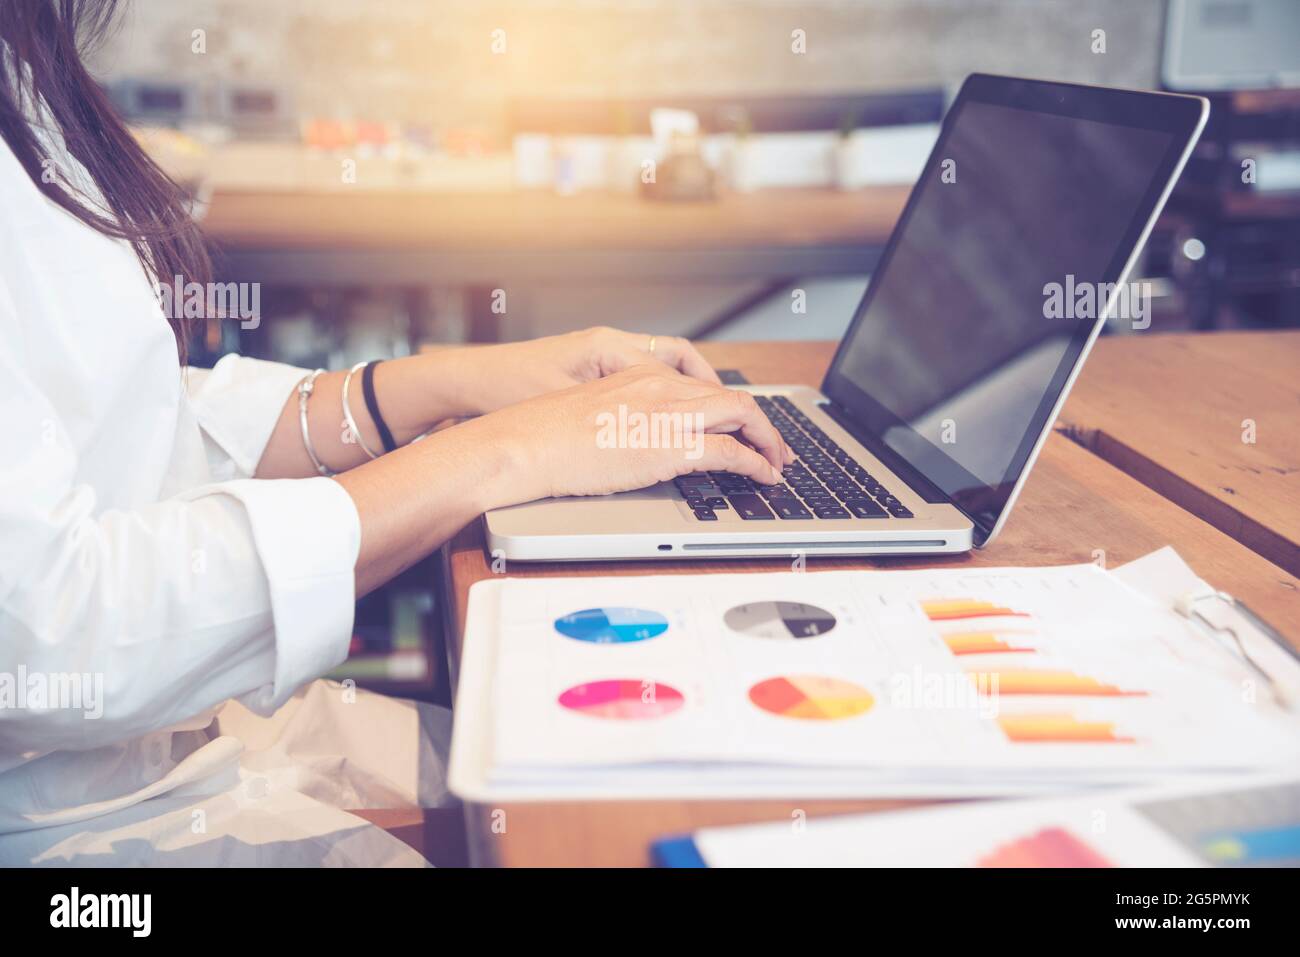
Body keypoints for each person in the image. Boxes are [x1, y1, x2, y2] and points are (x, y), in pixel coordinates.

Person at [0, 0, 791, 865]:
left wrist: (447, 383)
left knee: (592, 769)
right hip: (76, 826)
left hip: (189, 742)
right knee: (587, 827)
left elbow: (133, 420)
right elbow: (55, 624)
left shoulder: (24, 70)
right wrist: (511, 448)